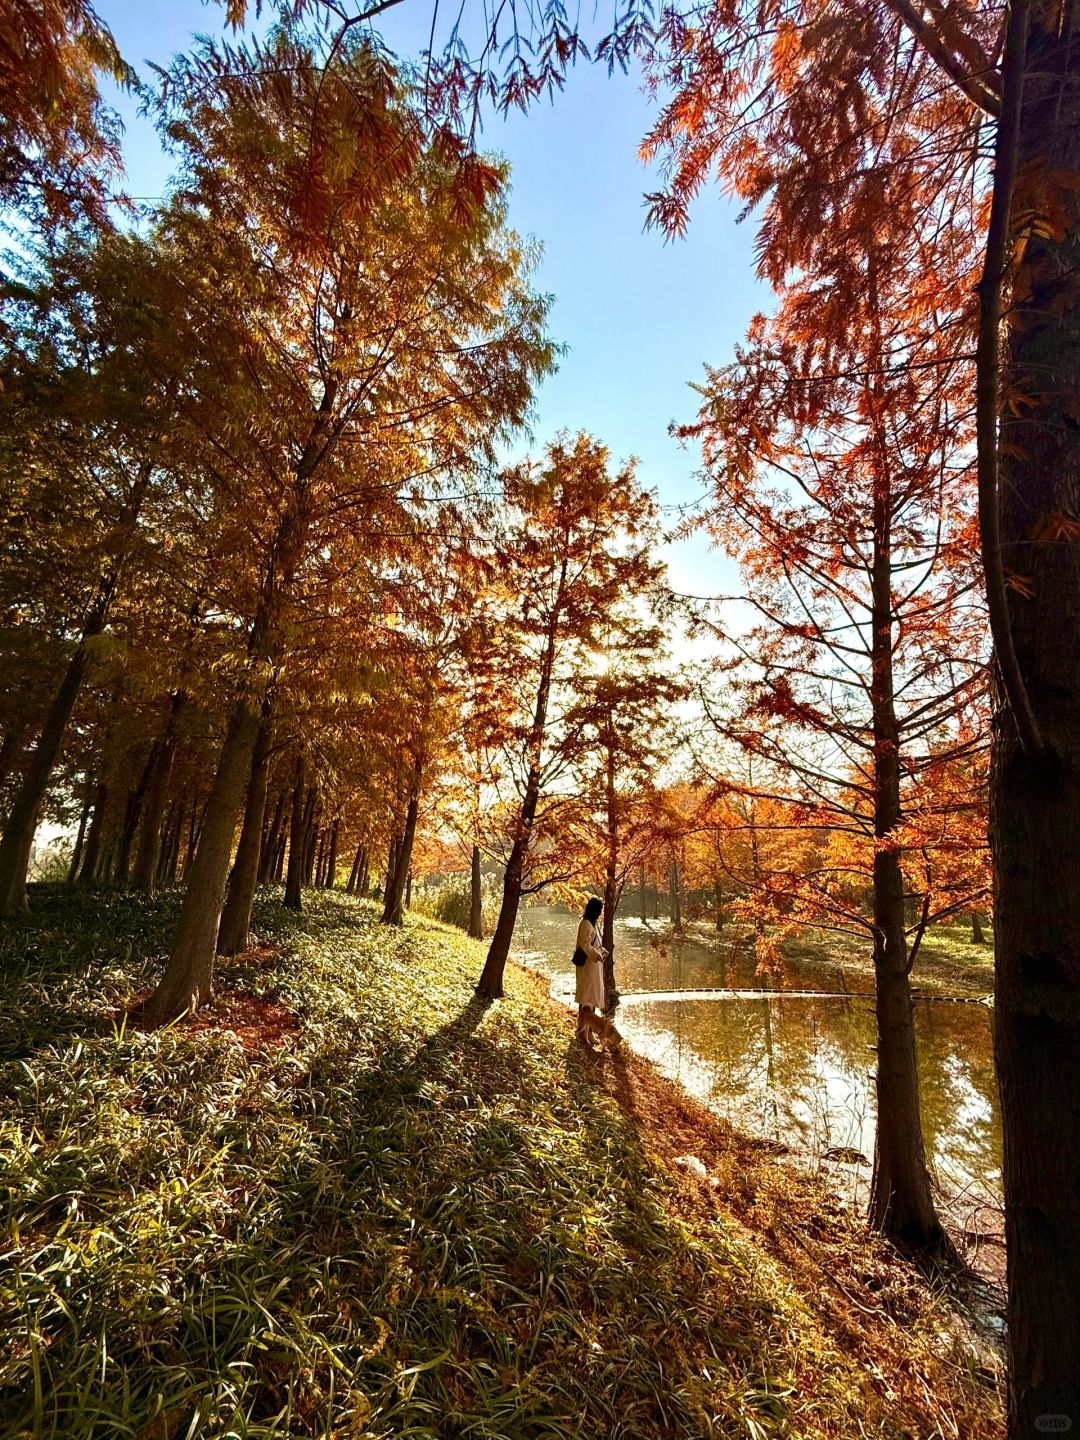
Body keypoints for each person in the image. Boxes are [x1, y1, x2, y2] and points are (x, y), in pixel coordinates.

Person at [575, 897, 622, 1051]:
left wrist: (601, 952)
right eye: (600, 911)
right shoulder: (586, 924)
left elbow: (592, 944)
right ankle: (582, 1031)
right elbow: (585, 944)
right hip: (588, 967)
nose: (601, 914)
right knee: (586, 999)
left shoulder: (590, 924)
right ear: (595, 910)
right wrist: (596, 955)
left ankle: (589, 1032)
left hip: (594, 967)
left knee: (591, 999)